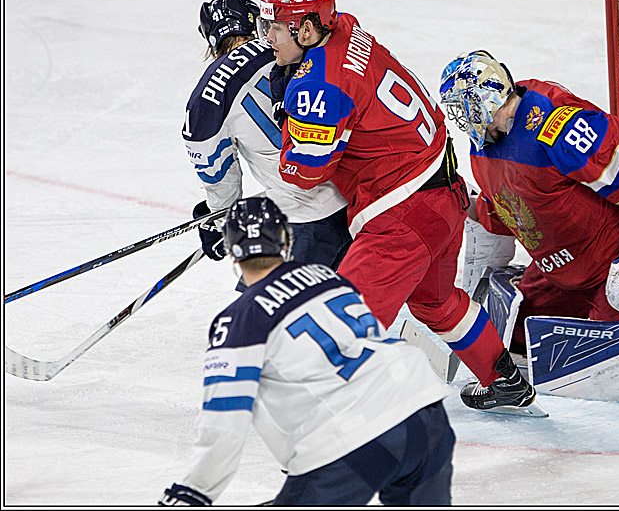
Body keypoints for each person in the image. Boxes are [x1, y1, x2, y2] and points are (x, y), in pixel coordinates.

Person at [256, 0, 537, 413]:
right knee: (437, 304)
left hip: (403, 216)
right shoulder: (347, 28)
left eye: (276, 27)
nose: (267, 38)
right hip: (445, 197)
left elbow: (304, 171)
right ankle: (506, 381)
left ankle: (337, 427)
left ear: (307, 30)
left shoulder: (320, 86)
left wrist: (287, 121)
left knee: (344, 322)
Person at [159, 196, 455, 506]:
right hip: (423, 411)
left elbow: (225, 422)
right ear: (285, 241)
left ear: (233, 252)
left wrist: (193, 492)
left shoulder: (238, 321)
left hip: (353, 438)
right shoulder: (329, 279)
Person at [439, 50, 619, 346]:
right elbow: (518, 204)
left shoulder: (558, 125)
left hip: (615, 265)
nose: (462, 119)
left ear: (487, 101)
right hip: (562, 271)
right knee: (516, 339)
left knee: (612, 350)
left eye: (466, 108)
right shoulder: (483, 146)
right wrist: (478, 210)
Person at [183, 0, 351, 275]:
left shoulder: (206, 100)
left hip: (305, 219)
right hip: (355, 197)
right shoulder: (295, 47)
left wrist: (220, 219)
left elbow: (218, 176)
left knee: (263, 313)